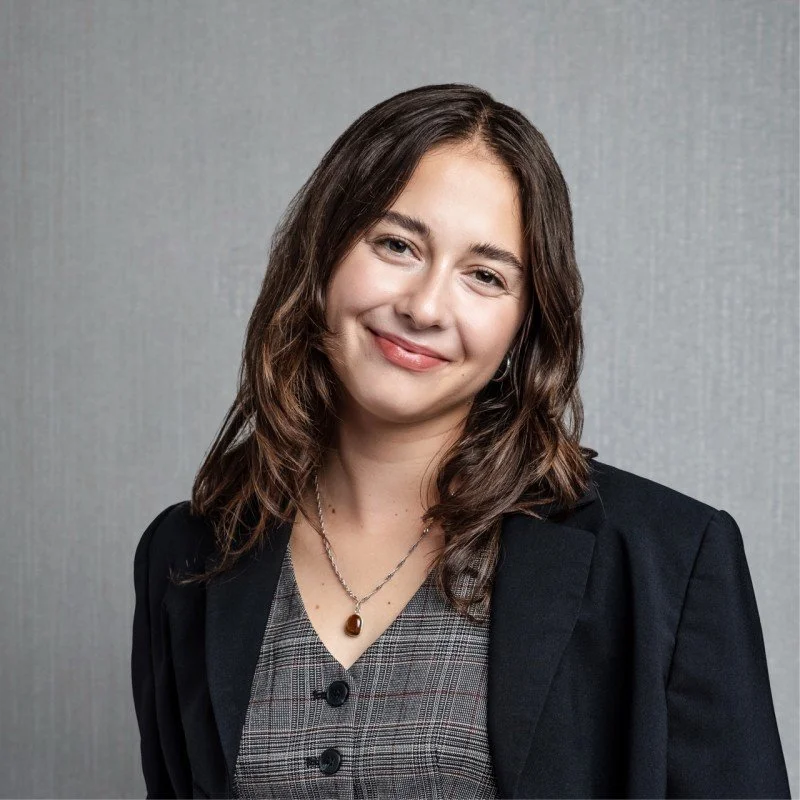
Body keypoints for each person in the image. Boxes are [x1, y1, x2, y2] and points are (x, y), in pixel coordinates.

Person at [131, 83, 790, 799]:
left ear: (524, 325)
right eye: (396, 244)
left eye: (484, 275)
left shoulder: (669, 557)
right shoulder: (188, 556)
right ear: (321, 255)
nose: (423, 306)